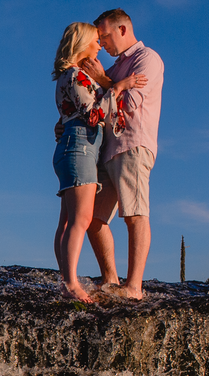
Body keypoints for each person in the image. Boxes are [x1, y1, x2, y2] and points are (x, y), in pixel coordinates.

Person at [52, 22, 145, 303]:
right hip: (79, 147)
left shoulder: (73, 75)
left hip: (78, 146)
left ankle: (67, 278)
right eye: (95, 40)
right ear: (81, 44)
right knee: (80, 219)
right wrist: (117, 87)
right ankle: (71, 283)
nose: (99, 45)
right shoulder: (74, 75)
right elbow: (93, 115)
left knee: (69, 220)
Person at [81, 9, 165, 300]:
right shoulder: (116, 69)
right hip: (108, 151)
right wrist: (109, 83)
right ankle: (110, 280)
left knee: (135, 214)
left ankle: (135, 287)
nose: (101, 42)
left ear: (123, 30)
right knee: (91, 218)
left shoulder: (147, 59)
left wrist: (107, 83)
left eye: (104, 35)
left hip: (133, 145)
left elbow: (128, 102)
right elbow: (101, 107)